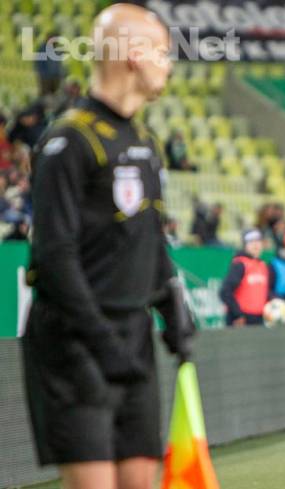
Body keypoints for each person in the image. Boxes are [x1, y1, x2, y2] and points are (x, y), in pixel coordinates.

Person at [21, 5, 195, 489]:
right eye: (162, 52)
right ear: (134, 55)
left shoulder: (145, 140)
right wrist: (101, 340)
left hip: (131, 336)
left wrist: (171, 303)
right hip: (76, 343)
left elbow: (149, 238)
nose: (169, 64)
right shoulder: (68, 141)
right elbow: (53, 258)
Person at [219, 228, 270, 327]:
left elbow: (264, 292)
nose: (256, 245)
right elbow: (225, 292)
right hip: (241, 319)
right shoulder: (240, 264)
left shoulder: (262, 265)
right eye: (251, 242)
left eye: (258, 241)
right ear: (245, 245)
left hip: (259, 319)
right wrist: (238, 314)